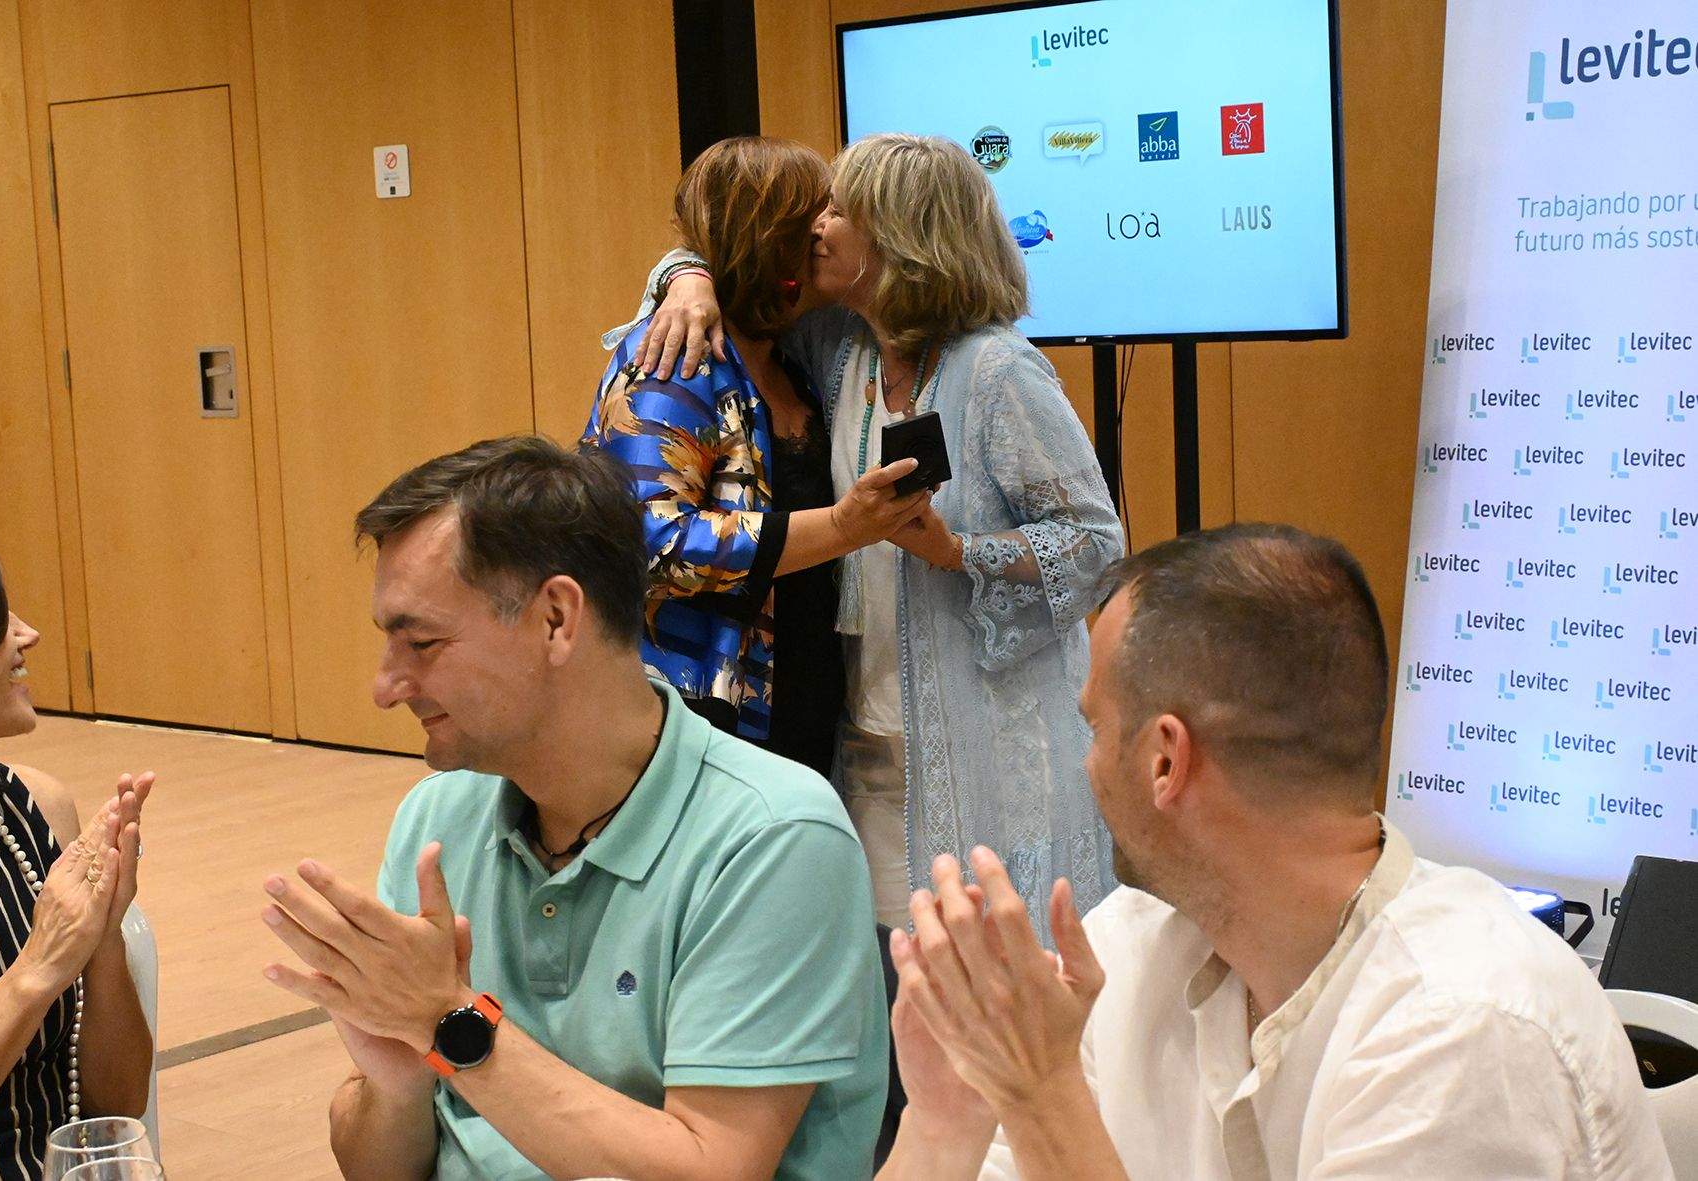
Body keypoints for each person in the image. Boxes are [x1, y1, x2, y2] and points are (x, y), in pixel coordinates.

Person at [876, 524, 1674, 1180]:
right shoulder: (1130, 946)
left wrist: (1040, 1089)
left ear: (1164, 759)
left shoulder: (1462, 1026)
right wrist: (949, 1123)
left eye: (1093, 727)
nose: (1085, 765)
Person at [260, 437, 887, 1181]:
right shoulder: (438, 818)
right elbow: (379, 1168)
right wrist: (397, 1086)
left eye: (422, 642)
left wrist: (449, 1024)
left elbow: (711, 1168)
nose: (386, 685)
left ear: (557, 618)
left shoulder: (773, 836)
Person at [626, 133, 1124, 939]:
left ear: (899, 241)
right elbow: (728, 260)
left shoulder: (999, 371)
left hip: (991, 755)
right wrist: (683, 280)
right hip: (862, 742)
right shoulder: (835, 349)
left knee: (1001, 987)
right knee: (893, 995)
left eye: (839, 211)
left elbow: (1096, 543)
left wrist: (961, 552)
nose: (816, 227)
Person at [585, 136, 928, 776]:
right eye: (816, 217)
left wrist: (681, 272)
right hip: (704, 705)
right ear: (773, 240)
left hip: (801, 677)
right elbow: (647, 544)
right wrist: (844, 528)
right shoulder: (673, 361)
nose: (829, 230)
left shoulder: (797, 352)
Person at [0, 513, 154, 1180]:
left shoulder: (32, 811)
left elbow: (116, 1109)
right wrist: (37, 969)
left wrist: (103, 934)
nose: (28, 634)